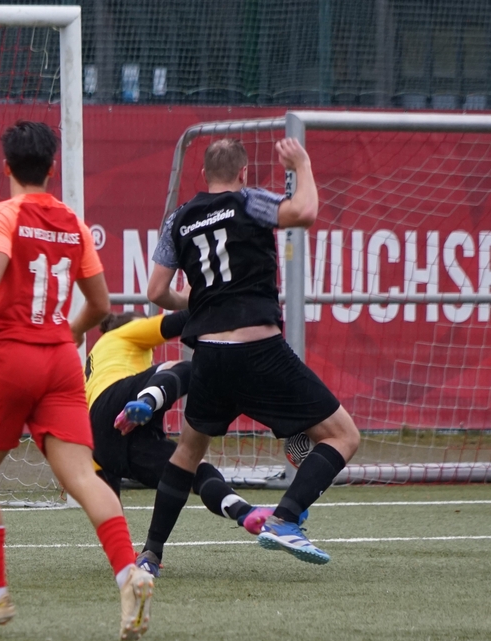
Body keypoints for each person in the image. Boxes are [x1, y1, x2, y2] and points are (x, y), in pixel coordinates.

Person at [0, 121, 153, 641]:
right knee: (84, 477)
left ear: (6, 166)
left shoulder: (0, 215)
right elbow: (100, 305)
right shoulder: (74, 223)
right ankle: (129, 573)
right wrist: (63, 336)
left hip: (13, 357)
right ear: (52, 167)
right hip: (60, 362)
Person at [142, 137, 361, 566]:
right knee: (343, 436)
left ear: (203, 174)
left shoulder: (178, 219)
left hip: (208, 356)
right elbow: (305, 212)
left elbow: (156, 291)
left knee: (187, 453)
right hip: (258, 351)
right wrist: (302, 163)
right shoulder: (249, 200)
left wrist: (200, 299)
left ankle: (151, 552)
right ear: (243, 172)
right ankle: (285, 518)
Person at [85, 310, 290, 576]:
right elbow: (184, 320)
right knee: (185, 367)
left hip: (102, 443)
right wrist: (227, 307)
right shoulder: (121, 334)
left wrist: (121, 550)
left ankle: (244, 511)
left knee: (190, 470)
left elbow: (106, 497)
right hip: (117, 402)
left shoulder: (92, 369)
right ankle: (148, 400)